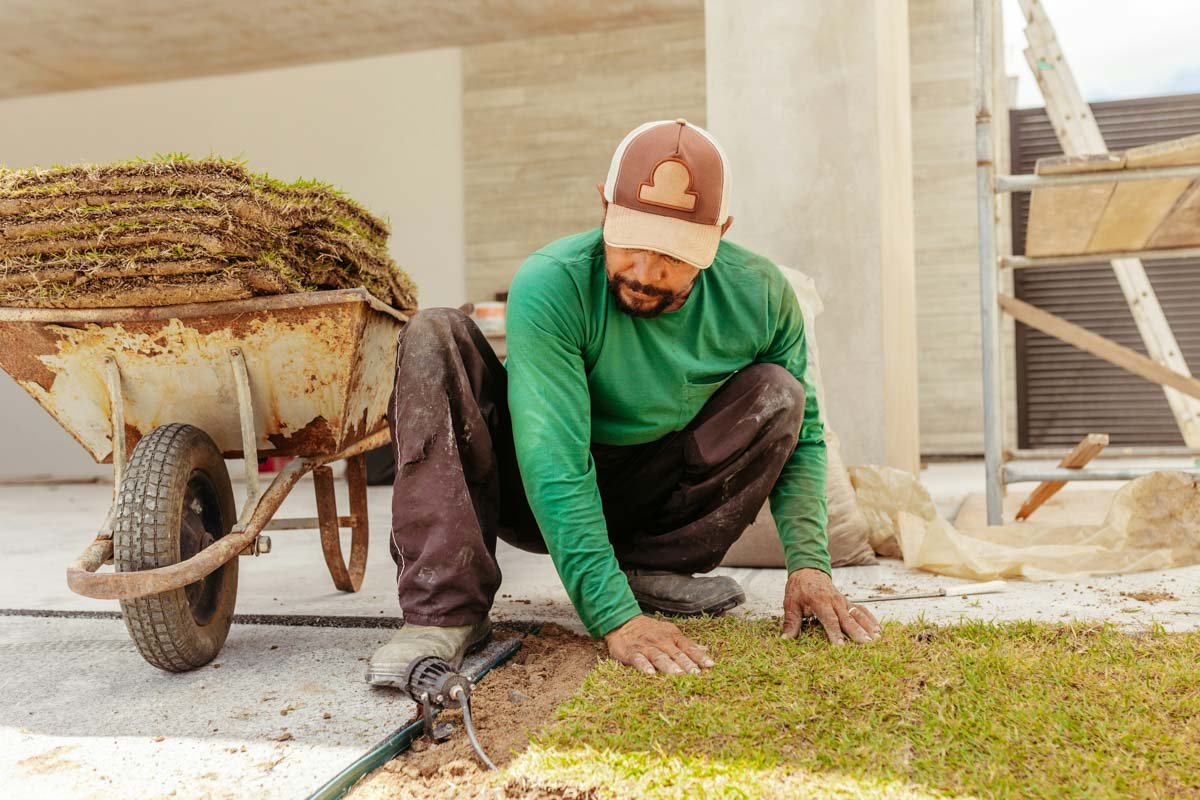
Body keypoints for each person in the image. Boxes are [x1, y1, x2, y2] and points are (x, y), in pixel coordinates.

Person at [367, 119, 881, 685]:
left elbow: (805, 435)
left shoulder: (760, 294)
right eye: (631, 242)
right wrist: (614, 618)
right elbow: (553, 458)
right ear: (604, 206)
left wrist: (809, 565)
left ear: (720, 231)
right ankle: (446, 613)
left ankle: (648, 570)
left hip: (650, 493)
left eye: (674, 255)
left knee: (779, 395)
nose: (645, 273)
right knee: (432, 333)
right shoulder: (553, 282)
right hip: (527, 488)